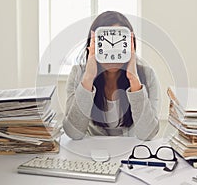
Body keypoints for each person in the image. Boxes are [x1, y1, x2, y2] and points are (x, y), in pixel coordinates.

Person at [63, 11, 160, 141]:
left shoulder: (147, 76)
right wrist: (88, 78)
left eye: (119, 44)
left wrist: (134, 81)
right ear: (93, 45)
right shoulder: (78, 74)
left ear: (130, 45)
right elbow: (73, 133)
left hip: (130, 153)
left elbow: (147, 134)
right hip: (91, 153)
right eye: (105, 44)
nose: (112, 50)